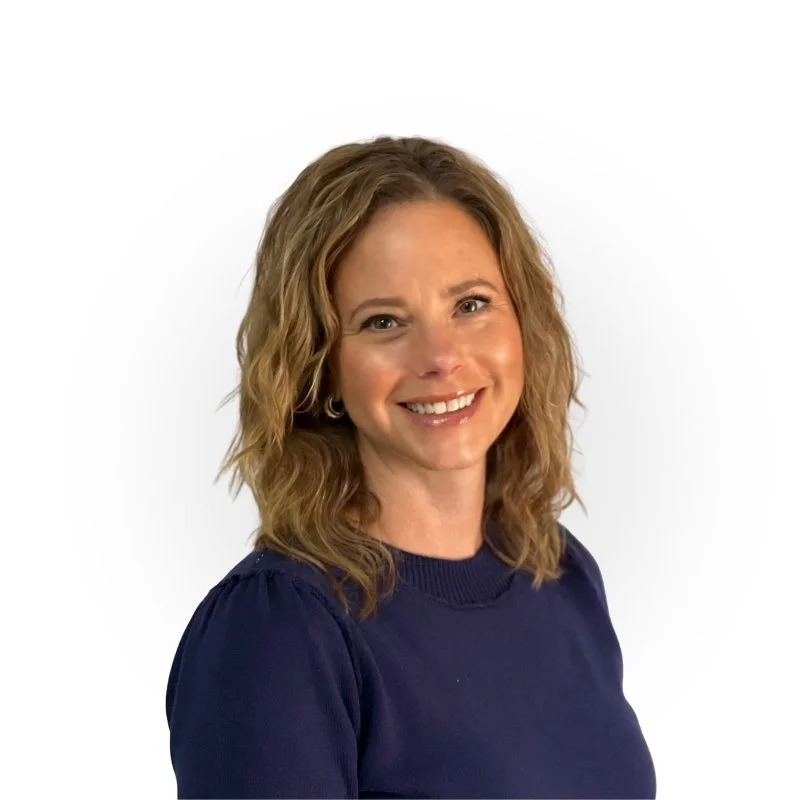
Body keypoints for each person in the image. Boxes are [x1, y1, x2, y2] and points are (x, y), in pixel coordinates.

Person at [165, 135, 657, 799]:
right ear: (322, 368)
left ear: (523, 324)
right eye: (384, 322)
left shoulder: (560, 574)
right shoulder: (280, 629)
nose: (441, 356)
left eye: (471, 305)